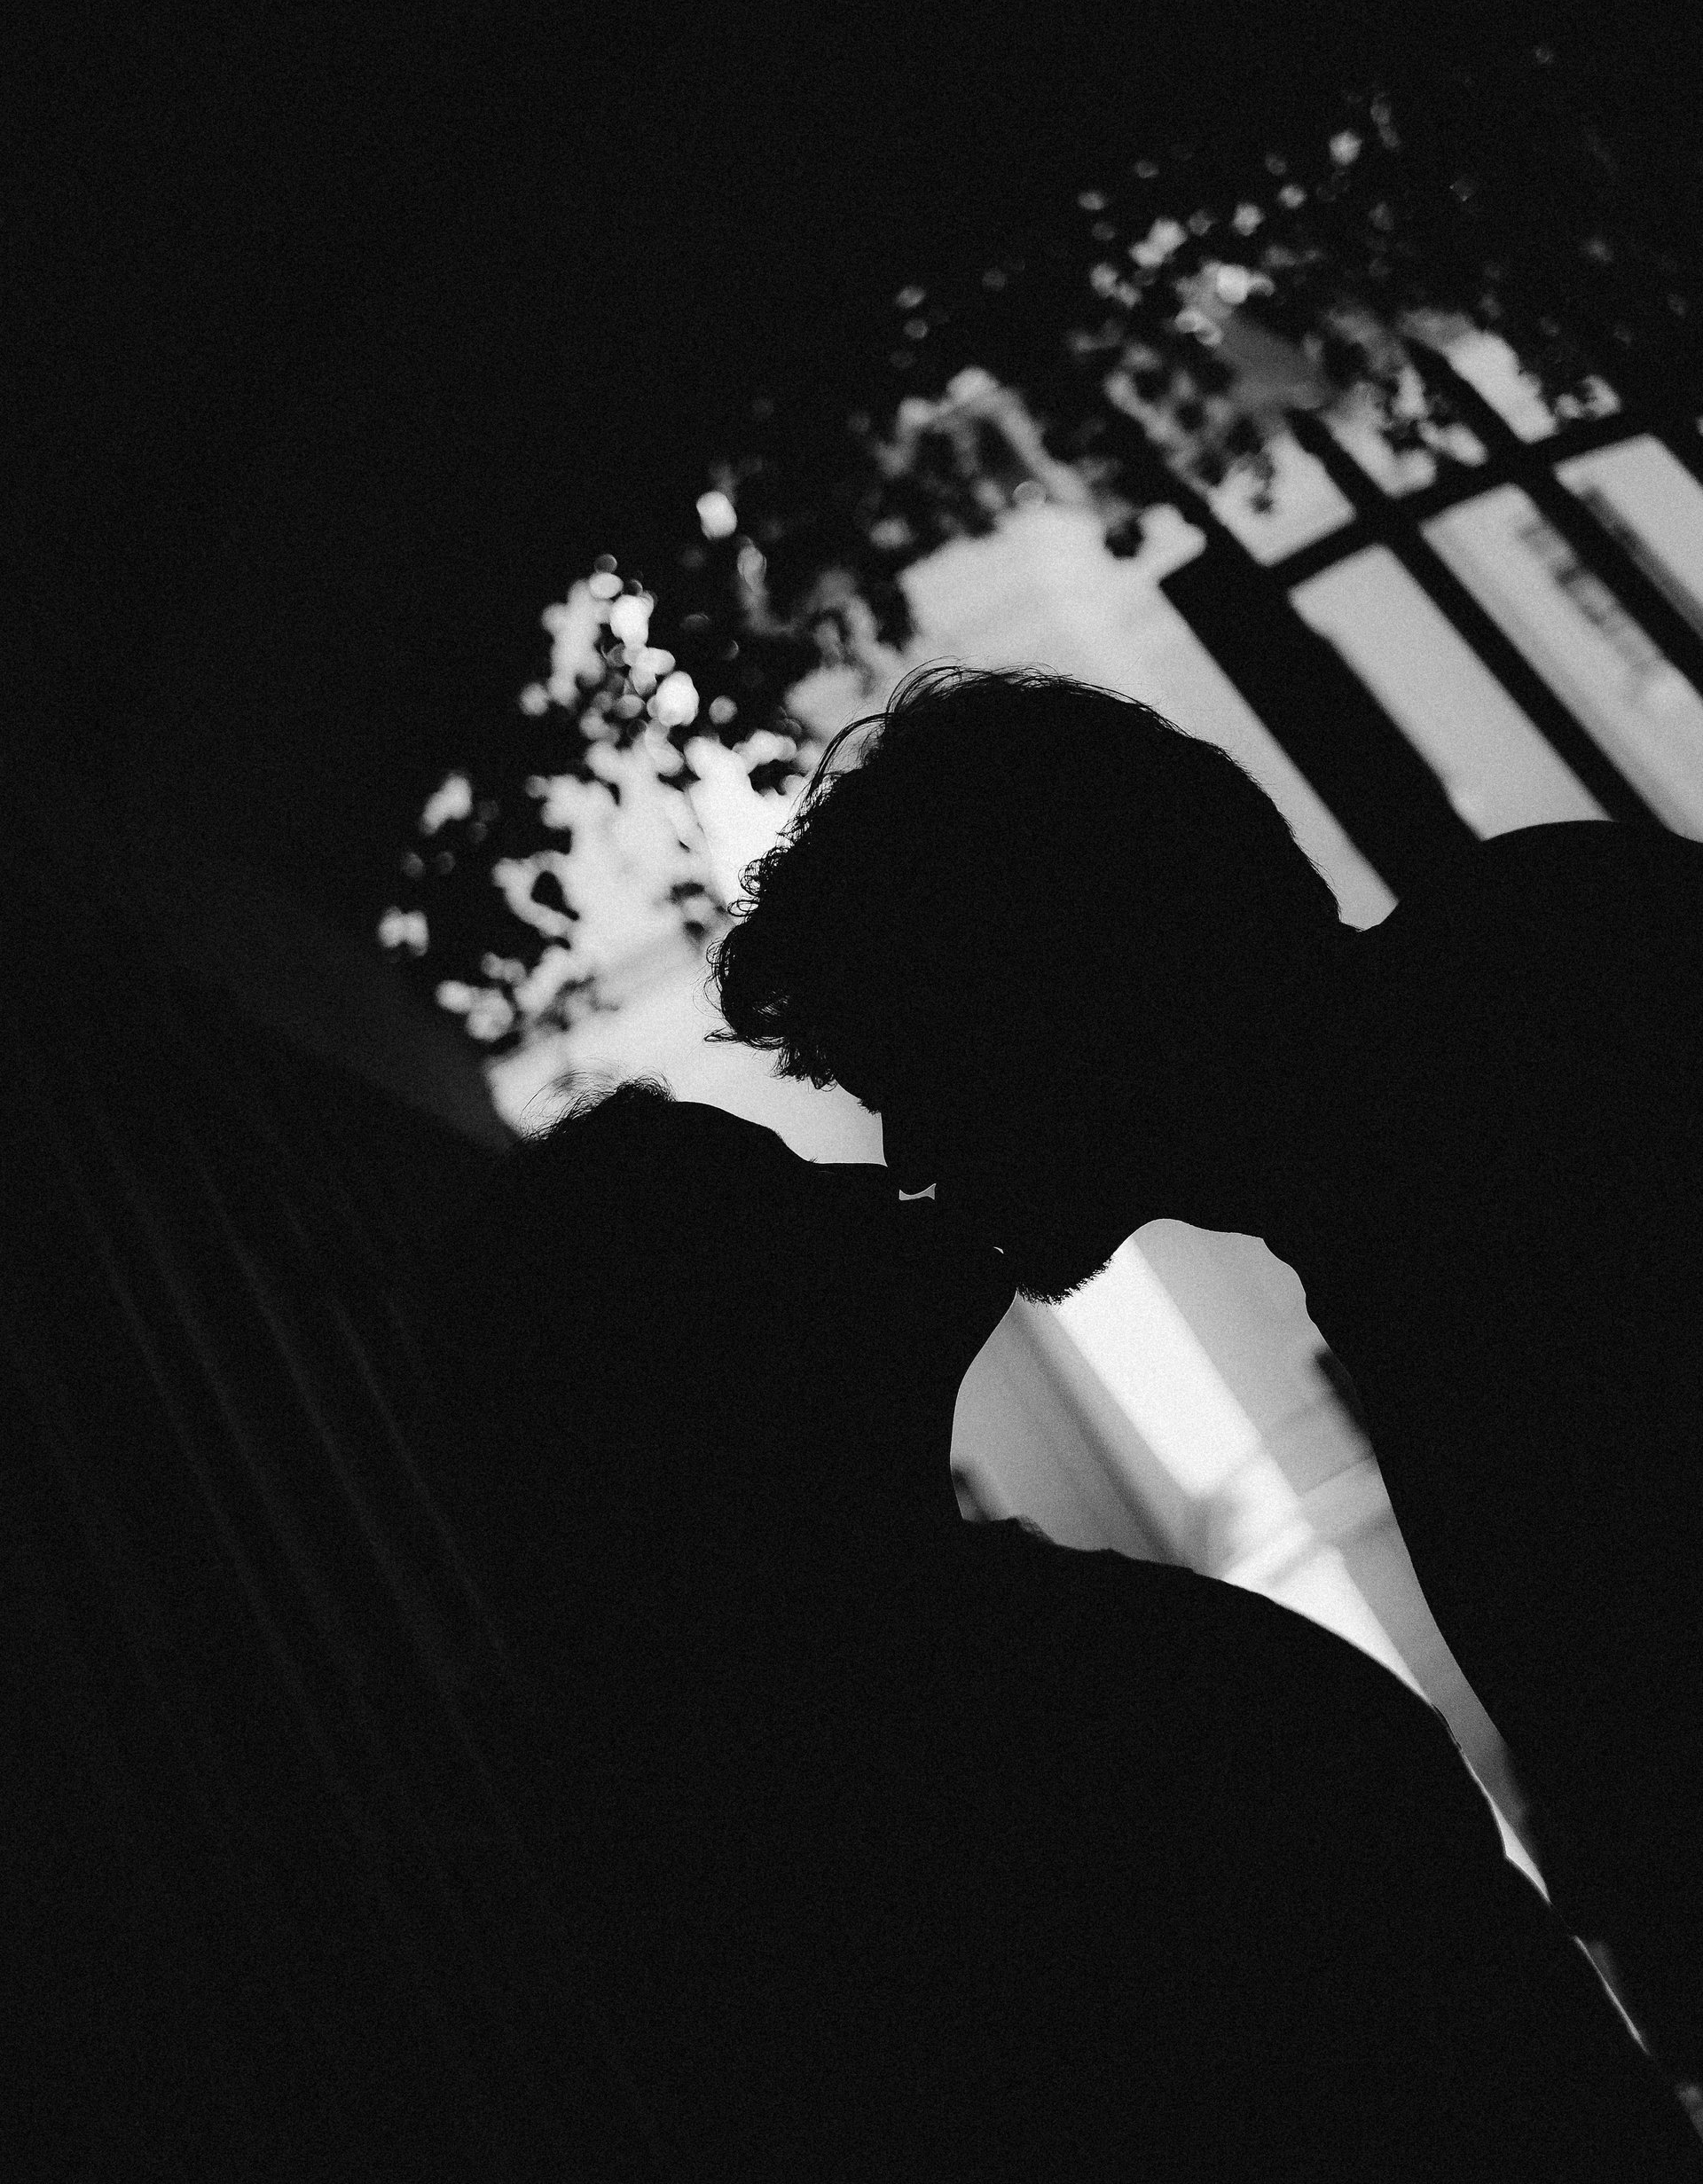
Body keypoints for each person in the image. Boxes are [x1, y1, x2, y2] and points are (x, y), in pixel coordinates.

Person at [703, 656, 1703, 2103]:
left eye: (914, 1067)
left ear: (1066, 984)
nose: (910, 1156)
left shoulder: (1551, 1034)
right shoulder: (1487, 1058)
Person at [414, 1070, 1703, 2175]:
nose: (872, 1182)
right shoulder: (1027, 1731)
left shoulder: (800, 1778)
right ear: (708, 1368)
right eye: (779, 1197)